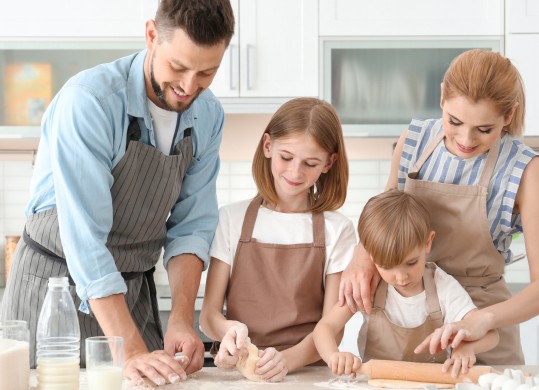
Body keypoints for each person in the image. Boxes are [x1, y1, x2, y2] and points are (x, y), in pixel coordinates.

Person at [0, 0, 235, 386]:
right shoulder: (90, 102)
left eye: (207, 72)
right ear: (151, 36)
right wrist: (133, 349)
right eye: (178, 66)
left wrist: (179, 318)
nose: (189, 86)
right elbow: (86, 240)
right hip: (53, 288)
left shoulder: (207, 116)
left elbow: (191, 227)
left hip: (132, 290)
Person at [338, 49, 539, 365]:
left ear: (508, 116)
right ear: (442, 97)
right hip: (409, 319)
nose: (466, 139)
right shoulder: (413, 141)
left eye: (484, 129)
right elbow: (382, 216)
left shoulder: (526, 170)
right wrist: (361, 257)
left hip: (481, 330)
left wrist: (483, 320)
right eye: (454, 121)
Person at [199, 97, 356, 382]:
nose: (296, 172)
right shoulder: (231, 219)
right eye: (286, 157)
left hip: (310, 375)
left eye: (310, 163)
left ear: (328, 163)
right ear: (268, 146)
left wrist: (287, 360)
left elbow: (334, 326)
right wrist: (229, 335)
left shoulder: (339, 230)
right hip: (245, 375)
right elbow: (208, 315)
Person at [314, 190, 499, 378]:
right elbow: (324, 328)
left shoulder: (442, 286)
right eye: (386, 267)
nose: (401, 277)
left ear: (427, 242)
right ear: (369, 255)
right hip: (376, 383)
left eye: (411, 263)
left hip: (432, 384)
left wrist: (467, 347)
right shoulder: (370, 285)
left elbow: (491, 334)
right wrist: (334, 356)